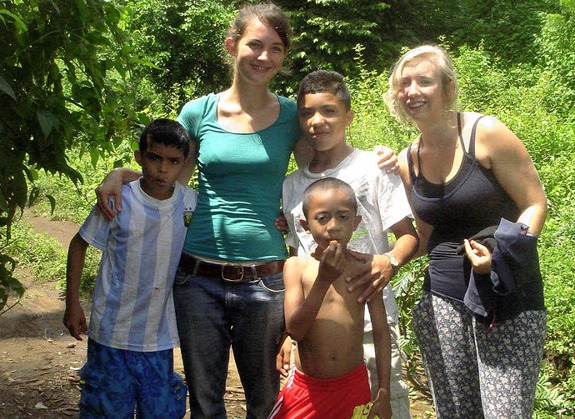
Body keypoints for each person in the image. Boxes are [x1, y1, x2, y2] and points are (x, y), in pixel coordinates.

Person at [94, 4, 397, 417]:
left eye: (275, 48)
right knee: (204, 401)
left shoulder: (292, 114)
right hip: (197, 277)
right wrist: (121, 173)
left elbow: (322, 167)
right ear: (232, 45)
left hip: (267, 280)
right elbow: (169, 178)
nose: (264, 56)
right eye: (255, 45)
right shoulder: (198, 112)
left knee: (266, 401)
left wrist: (390, 159)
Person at [384, 44, 548, 418]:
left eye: (424, 81)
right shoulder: (409, 158)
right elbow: (424, 237)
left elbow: (535, 203)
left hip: (506, 299)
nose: (412, 91)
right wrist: (383, 260)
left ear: (448, 88)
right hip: (441, 301)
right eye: (404, 83)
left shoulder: (484, 133)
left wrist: (503, 255)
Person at [280, 69, 418, 417]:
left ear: (348, 117)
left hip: (371, 323)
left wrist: (390, 261)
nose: (317, 121)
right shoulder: (292, 185)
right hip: (313, 335)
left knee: (380, 409)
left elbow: (408, 235)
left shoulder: (373, 168)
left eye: (328, 111)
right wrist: (290, 335)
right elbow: (299, 258)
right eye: (308, 113)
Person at [63, 119, 196, 417]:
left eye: (173, 162)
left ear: (184, 163)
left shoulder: (190, 204)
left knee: (159, 410)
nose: (163, 169)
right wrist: (72, 304)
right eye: (154, 158)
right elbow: (79, 244)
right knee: (107, 409)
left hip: (158, 336)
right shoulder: (118, 200)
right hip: (111, 332)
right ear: (139, 157)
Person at [269, 177, 392, 419]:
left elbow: (381, 331)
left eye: (343, 217)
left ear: (356, 222)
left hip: (353, 387)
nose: (333, 226)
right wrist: (323, 280)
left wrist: (384, 389)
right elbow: (295, 330)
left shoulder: (364, 268)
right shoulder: (296, 267)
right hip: (307, 389)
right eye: (322, 218)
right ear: (305, 225)